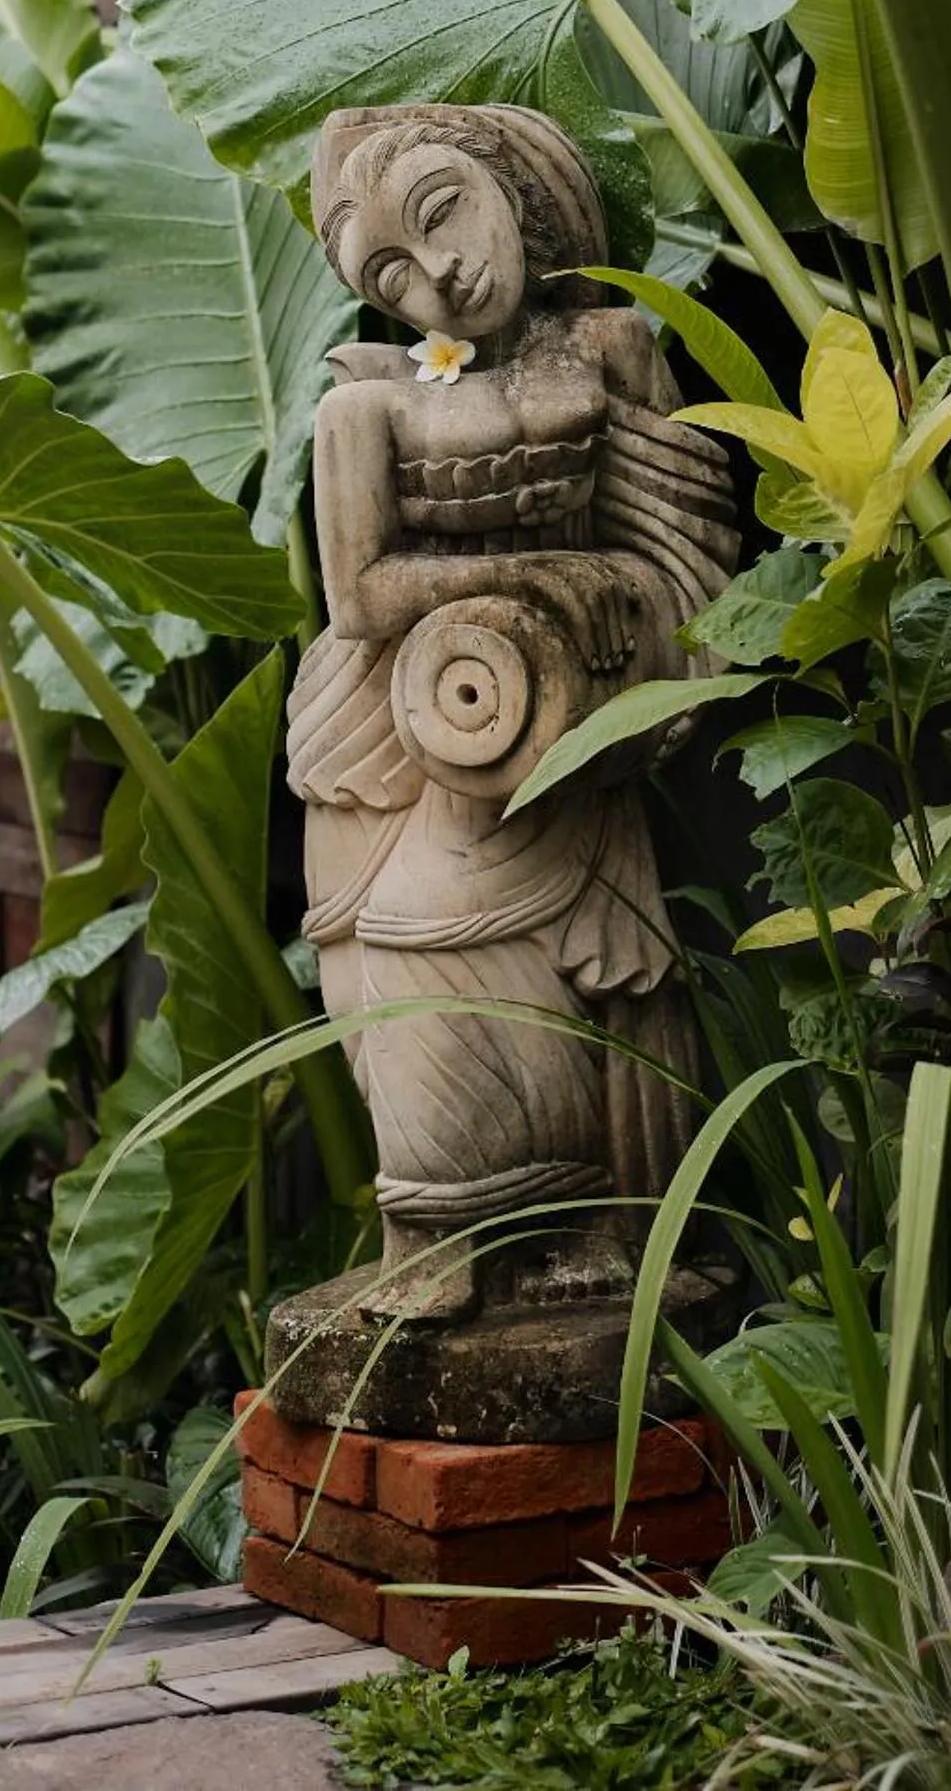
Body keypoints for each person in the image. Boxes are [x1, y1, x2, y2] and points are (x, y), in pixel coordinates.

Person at [288, 103, 738, 1316]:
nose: (438, 276)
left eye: (443, 215)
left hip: (568, 722)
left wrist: (626, 621)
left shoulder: (612, 348)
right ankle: (432, 1238)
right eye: (388, 274)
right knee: (414, 960)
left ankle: (610, 1227)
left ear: (511, 189)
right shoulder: (362, 406)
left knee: (604, 971)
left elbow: (690, 550)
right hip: (396, 734)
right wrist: (532, 576)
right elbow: (360, 589)